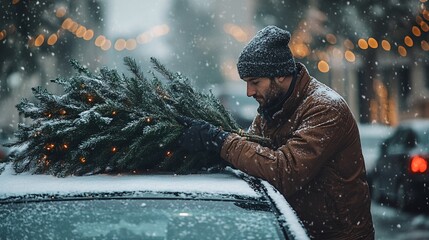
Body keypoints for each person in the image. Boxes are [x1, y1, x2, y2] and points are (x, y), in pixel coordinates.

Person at [178, 25, 375, 239]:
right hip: (296, 230)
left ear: (280, 75)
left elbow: (284, 171)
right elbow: (254, 159)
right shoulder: (272, 109)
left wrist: (221, 141)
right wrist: (212, 148)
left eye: (255, 82)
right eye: (246, 83)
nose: (249, 92)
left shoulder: (325, 108)